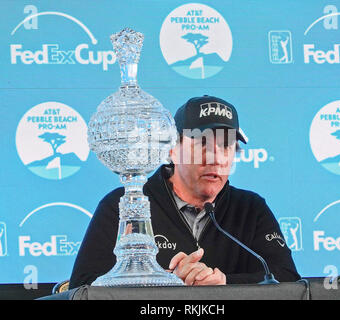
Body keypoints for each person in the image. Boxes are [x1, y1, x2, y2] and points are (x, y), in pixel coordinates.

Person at [69, 95, 300, 288]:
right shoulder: (123, 205)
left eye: (226, 145)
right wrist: (168, 285)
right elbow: (83, 286)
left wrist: (223, 283)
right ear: (171, 149)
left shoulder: (251, 208)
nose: (216, 158)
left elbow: (288, 279)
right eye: (202, 144)